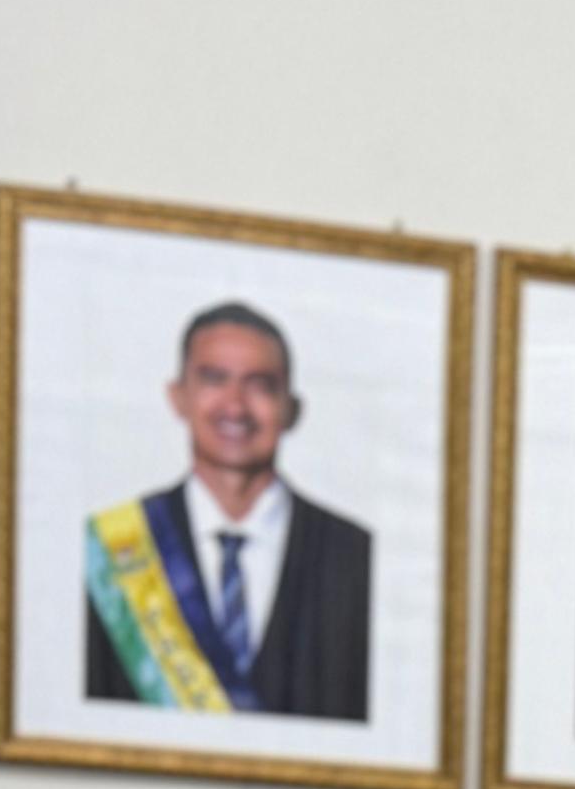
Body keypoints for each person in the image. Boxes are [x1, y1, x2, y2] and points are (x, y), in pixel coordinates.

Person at [82, 300, 374, 723]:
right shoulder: (108, 552)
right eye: (214, 380)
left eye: (260, 385)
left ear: (291, 409)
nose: (235, 406)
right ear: (177, 397)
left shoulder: (358, 557)